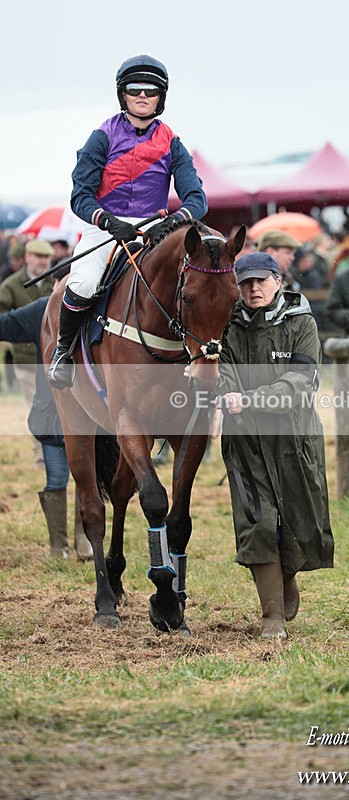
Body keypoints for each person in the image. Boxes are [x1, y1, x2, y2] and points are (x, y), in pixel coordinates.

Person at [48, 54, 208, 390]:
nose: (142, 95)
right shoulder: (101, 137)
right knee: (86, 282)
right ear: (123, 93)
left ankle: (207, 356)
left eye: (151, 90)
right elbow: (80, 196)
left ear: (160, 97)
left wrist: (174, 221)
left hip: (155, 225)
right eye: (135, 89)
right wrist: (107, 220)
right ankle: (63, 351)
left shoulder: (173, 143)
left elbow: (197, 199)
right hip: (105, 226)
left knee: (198, 283)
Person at [217, 252, 334, 639]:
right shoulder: (228, 326)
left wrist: (252, 398)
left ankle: (287, 579)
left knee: (299, 518)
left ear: (278, 281)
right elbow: (224, 375)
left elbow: (301, 380)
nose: (253, 289)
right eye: (245, 283)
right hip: (246, 441)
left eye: (260, 281)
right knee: (258, 522)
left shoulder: (301, 322)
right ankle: (272, 617)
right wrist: (227, 393)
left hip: (294, 437)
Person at [0, 266, 92, 559]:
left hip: (89, 411)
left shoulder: (96, 306)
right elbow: (6, 325)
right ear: (57, 284)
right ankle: (58, 546)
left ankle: (85, 541)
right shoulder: (43, 309)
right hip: (51, 410)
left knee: (87, 479)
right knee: (56, 479)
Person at [0, 239, 55, 463]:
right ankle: (41, 455)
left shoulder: (56, 281)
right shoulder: (11, 285)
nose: (43, 262)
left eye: (46, 258)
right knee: (37, 405)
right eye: (38, 257)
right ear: (28, 257)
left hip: (51, 357)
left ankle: (55, 453)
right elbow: (4, 318)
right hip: (25, 357)